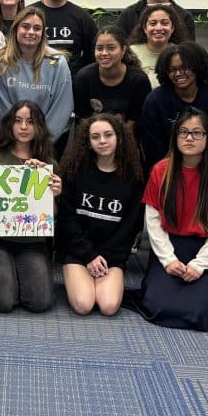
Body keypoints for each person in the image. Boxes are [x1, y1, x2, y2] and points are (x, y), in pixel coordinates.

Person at [125, 108, 208, 331]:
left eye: (197, 133)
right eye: (183, 132)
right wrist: (168, 260)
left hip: (207, 250)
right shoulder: (161, 170)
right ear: (175, 136)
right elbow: (153, 221)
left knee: (201, 314)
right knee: (157, 307)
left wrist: (200, 265)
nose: (189, 138)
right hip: (168, 248)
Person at [0, 101, 63, 313]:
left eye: (30, 122)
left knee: (40, 303)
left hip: (32, 241)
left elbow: (51, 217)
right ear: (10, 125)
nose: (24, 127)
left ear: (39, 126)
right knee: (3, 302)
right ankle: (2, 272)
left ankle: (14, 272)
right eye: (18, 121)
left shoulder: (48, 163)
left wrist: (53, 194)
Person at [56, 114, 143, 315]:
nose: (102, 141)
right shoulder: (73, 171)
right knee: (83, 305)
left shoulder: (134, 177)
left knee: (109, 306)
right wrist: (89, 255)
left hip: (110, 254)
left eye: (108, 135)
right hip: (78, 251)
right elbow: (66, 220)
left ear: (119, 137)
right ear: (88, 142)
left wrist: (103, 257)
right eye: (95, 137)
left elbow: (130, 226)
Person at [139, 42, 208, 172]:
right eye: (172, 70)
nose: (178, 74)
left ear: (197, 67)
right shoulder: (155, 100)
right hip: (166, 170)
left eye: (184, 68)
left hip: (207, 167)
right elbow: (152, 146)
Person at [0, 6, 74, 144]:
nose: (31, 32)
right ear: (16, 29)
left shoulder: (57, 63)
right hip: (12, 143)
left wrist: (41, 142)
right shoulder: (1, 64)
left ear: (43, 33)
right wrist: (20, 142)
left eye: (37, 28)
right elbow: (2, 109)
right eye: (25, 26)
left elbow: (62, 108)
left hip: (48, 144)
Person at [29, 0, 98, 75]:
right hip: (33, 84)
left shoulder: (82, 17)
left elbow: (94, 56)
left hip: (71, 85)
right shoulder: (29, 14)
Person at [72, 25, 151, 126]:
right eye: (99, 48)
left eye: (111, 48)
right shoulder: (83, 78)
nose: (104, 53)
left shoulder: (138, 80)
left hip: (128, 137)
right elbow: (83, 122)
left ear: (123, 50)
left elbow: (133, 124)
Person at [128, 4, 188, 88]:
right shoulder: (131, 53)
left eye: (164, 23)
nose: (159, 28)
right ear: (145, 28)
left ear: (172, 28)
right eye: (153, 23)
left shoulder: (183, 53)